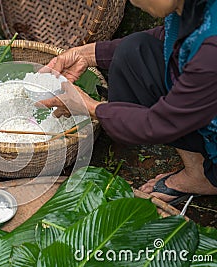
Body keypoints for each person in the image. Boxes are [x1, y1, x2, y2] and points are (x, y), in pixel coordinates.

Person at [38, 0, 217, 205]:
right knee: (135, 51)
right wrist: (85, 55)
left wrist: (89, 107)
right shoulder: (192, 9)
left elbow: (160, 123)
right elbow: (168, 39)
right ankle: (199, 173)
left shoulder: (211, 49)